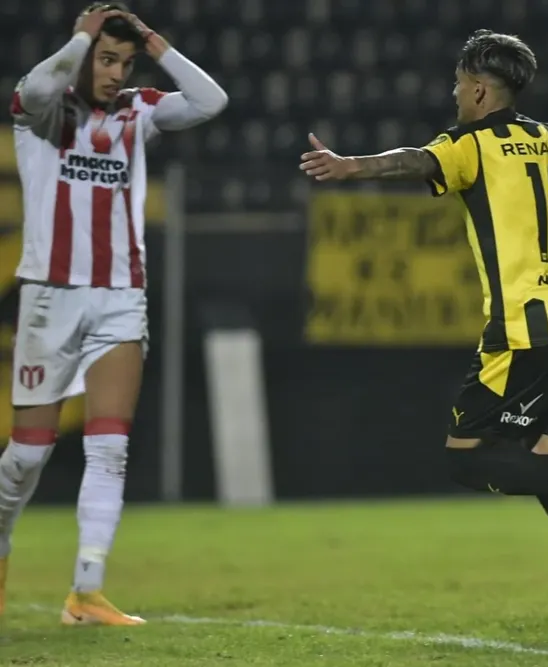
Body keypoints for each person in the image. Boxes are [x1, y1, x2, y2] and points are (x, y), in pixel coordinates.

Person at [300, 29, 548, 639]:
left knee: (468, 461)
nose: (454, 94)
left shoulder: (471, 145)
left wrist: (349, 167)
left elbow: (417, 160)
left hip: (523, 338)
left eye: (457, 84)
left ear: (477, 89)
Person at [0, 3, 227, 625]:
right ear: (83, 54)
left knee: (110, 448)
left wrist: (155, 43)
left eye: (123, 63)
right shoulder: (42, 111)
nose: (114, 72)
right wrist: (82, 35)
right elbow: (45, 83)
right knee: (27, 455)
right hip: (51, 294)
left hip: (122, 294)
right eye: (107, 59)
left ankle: (85, 590)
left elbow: (210, 102)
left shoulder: (138, 109)